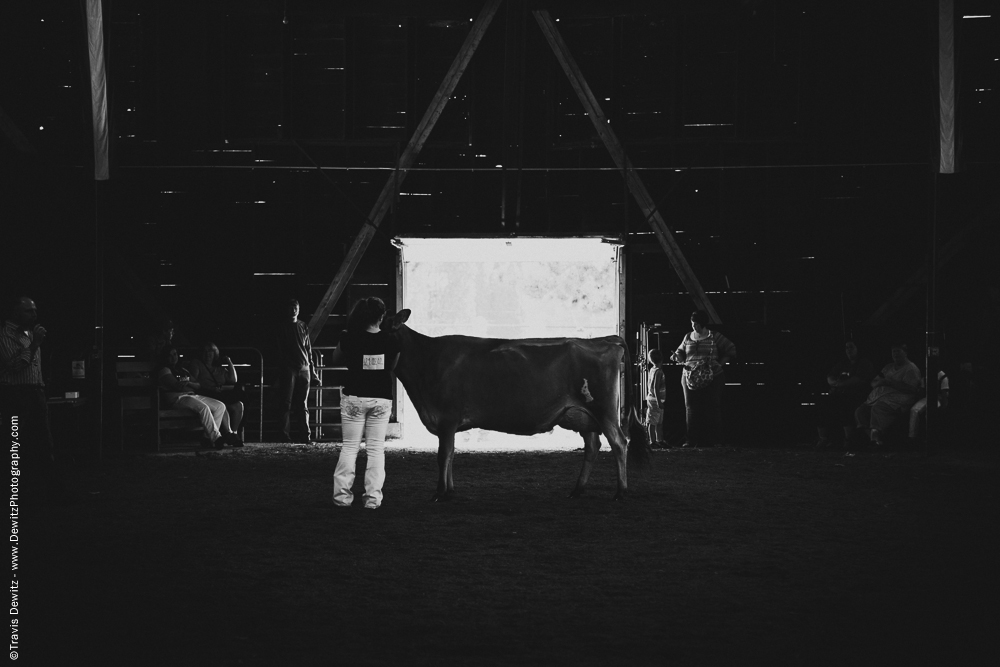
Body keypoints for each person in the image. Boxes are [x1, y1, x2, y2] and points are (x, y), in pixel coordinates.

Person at [330, 297, 400, 509]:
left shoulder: (348, 337)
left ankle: (342, 498)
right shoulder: (392, 339)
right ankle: (372, 499)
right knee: (376, 449)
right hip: (381, 397)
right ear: (381, 317)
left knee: (350, 448)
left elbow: (336, 359)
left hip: (354, 397)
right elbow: (392, 367)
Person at [0, 295, 68, 504]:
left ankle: (47, 492)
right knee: (17, 444)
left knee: (43, 443)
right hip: (16, 395)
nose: (34, 314)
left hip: (34, 392)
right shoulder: (5, 335)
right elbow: (13, 366)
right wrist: (35, 345)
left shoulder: (29, 333)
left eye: (35, 310)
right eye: (29, 311)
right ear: (16, 313)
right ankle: (16, 493)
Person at [670, 310, 737, 448]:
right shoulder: (688, 337)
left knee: (713, 407)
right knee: (690, 408)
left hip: (712, 376)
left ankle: (716, 440)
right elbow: (680, 352)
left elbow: (730, 348)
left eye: (696, 324)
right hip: (689, 377)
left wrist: (719, 364)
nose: (694, 326)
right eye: (692, 324)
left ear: (702, 324)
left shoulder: (714, 336)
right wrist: (677, 357)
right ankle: (691, 440)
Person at [156, 346, 242, 448]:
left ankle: (206, 438)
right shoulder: (164, 370)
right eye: (169, 355)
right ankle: (216, 438)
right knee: (204, 408)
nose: (173, 357)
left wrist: (188, 384)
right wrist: (189, 385)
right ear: (165, 357)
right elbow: (176, 387)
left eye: (174, 354)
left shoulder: (182, 369)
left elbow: (197, 385)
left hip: (191, 395)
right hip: (176, 398)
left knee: (220, 406)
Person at [854, 341, 921, 447]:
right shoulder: (888, 367)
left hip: (898, 400)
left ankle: (876, 438)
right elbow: (875, 381)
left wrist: (889, 383)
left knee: (878, 409)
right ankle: (874, 439)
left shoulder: (911, 368)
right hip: (878, 397)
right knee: (861, 411)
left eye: (898, 351)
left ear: (905, 353)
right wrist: (878, 384)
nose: (895, 354)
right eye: (893, 352)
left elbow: (912, 389)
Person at [275, 299, 320, 443]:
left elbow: (308, 349)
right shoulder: (282, 327)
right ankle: (284, 435)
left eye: (296, 307)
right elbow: (280, 351)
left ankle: (305, 436)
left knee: (302, 404)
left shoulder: (303, 326)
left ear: (299, 309)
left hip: (304, 368)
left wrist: (312, 370)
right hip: (290, 369)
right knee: (286, 403)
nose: (294, 310)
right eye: (291, 307)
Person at [816, 341, 874, 448]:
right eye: (847, 348)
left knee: (845, 405)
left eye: (851, 347)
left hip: (858, 395)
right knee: (823, 404)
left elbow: (858, 380)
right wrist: (835, 383)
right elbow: (830, 376)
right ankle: (823, 438)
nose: (848, 350)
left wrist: (839, 384)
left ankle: (848, 439)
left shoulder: (864, 363)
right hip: (840, 393)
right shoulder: (843, 363)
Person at [187, 342, 245, 440]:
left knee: (239, 405)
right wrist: (210, 388)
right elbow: (195, 382)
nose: (207, 354)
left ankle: (233, 434)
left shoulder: (219, 368)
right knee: (222, 405)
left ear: (215, 353)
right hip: (206, 394)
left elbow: (233, 379)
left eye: (210, 351)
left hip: (220, 394)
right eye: (205, 351)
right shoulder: (197, 364)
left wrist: (229, 361)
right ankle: (228, 433)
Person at [908, 369, 949, 443]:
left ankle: (930, 437)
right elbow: (922, 391)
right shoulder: (926, 375)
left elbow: (944, 393)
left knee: (930, 412)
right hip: (927, 397)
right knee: (914, 410)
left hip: (938, 398)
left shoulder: (942, 376)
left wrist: (944, 405)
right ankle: (912, 437)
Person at [645, 348, 667, 449]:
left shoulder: (652, 369)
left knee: (657, 421)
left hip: (654, 399)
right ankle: (653, 441)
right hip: (656, 400)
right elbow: (655, 387)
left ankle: (658, 440)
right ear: (661, 359)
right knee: (653, 422)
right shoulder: (659, 372)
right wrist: (658, 401)